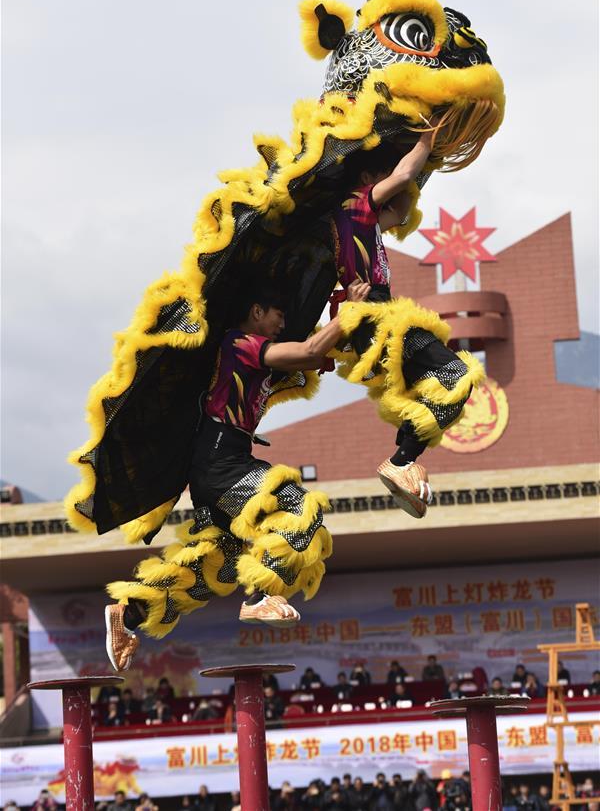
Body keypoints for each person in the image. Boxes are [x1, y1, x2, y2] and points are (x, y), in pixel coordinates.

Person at [104, 278, 369, 669]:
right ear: (257, 311)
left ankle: (129, 615)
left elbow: (313, 357)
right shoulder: (240, 343)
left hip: (217, 468)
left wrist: (348, 328)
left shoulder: (253, 351)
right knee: (297, 506)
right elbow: (310, 348)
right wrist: (348, 313)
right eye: (278, 314)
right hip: (221, 464)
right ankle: (260, 597)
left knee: (218, 565)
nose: (282, 323)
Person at [329, 130, 483, 518]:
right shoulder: (354, 206)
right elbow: (400, 180)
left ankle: (404, 460)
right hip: (378, 320)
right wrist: (426, 144)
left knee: (444, 390)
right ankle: (400, 462)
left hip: (376, 321)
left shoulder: (359, 224)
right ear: (368, 181)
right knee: (455, 373)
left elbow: (398, 209)